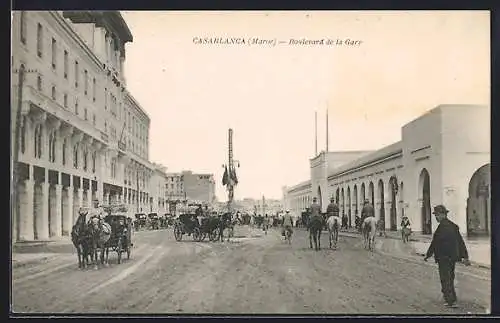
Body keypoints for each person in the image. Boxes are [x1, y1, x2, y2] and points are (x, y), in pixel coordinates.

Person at [424, 205, 470, 308]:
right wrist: (465, 256)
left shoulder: (441, 228)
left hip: (443, 257)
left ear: (442, 215)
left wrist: (428, 254)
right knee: (450, 277)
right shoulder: (453, 226)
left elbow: (434, 243)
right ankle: (451, 298)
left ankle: (451, 300)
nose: (436, 217)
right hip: (452, 257)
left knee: (445, 278)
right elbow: (460, 242)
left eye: (436, 215)